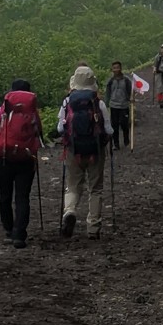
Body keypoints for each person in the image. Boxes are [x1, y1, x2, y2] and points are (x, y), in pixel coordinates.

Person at [0, 80, 44, 246]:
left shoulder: (2, 110)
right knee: (22, 197)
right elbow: (39, 135)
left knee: (5, 196)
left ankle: (8, 230)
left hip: (4, 158)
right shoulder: (33, 112)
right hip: (27, 158)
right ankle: (19, 235)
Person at [57, 65, 110, 239]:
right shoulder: (98, 102)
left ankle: (70, 210)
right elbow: (109, 130)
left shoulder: (67, 101)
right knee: (95, 189)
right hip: (96, 151)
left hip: (74, 150)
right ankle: (93, 227)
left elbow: (60, 128)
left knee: (73, 186)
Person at [106, 61, 134, 148]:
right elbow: (108, 93)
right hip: (113, 105)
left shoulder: (126, 80)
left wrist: (131, 98)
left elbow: (131, 91)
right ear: (112, 69)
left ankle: (126, 140)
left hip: (124, 105)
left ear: (121, 68)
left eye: (117, 67)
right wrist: (107, 103)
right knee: (114, 125)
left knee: (124, 124)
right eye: (114, 68)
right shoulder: (110, 81)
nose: (116, 70)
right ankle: (116, 144)